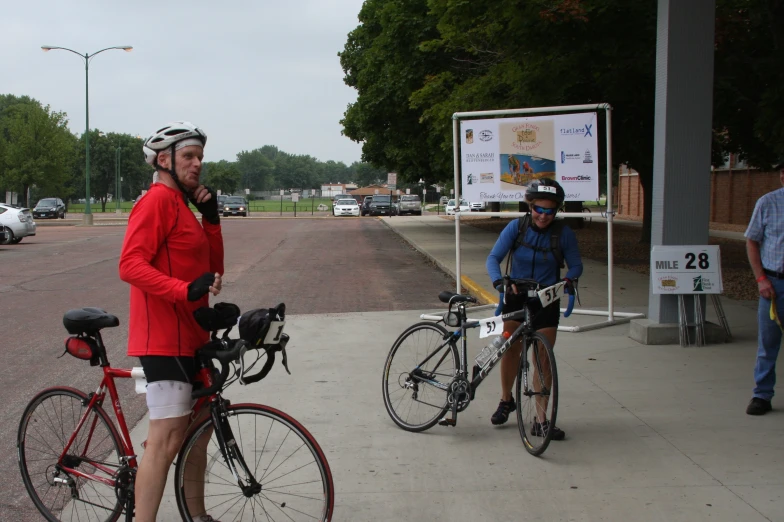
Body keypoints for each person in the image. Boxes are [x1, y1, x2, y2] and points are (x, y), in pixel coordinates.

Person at [119, 121, 224, 522]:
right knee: (165, 440)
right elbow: (129, 265)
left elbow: (213, 274)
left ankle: (196, 516)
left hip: (192, 335)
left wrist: (211, 218)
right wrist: (183, 291)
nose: (197, 164)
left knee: (200, 431)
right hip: (162, 338)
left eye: (200, 157)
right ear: (164, 160)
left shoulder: (182, 205)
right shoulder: (157, 201)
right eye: (188, 157)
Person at [485, 178, 583, 439]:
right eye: (539, 209)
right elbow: (493, 258)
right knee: (510, 350)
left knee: (542, 357)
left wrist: (568, 280)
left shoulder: (563, 233)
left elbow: (576, 265)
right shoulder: (516, 227)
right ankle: (507, 400)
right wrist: (499, 281)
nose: (543, 215)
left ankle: (541, 420)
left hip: (546, 297)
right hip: (516, 294)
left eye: (550, 211)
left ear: (557, 210)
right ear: (530, 206)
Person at [744, 161, 784, 416]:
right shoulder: (767, 203)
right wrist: (761, 279)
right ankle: (762, 396)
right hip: (774, 285)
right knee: (768, 344)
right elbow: (752, 240)